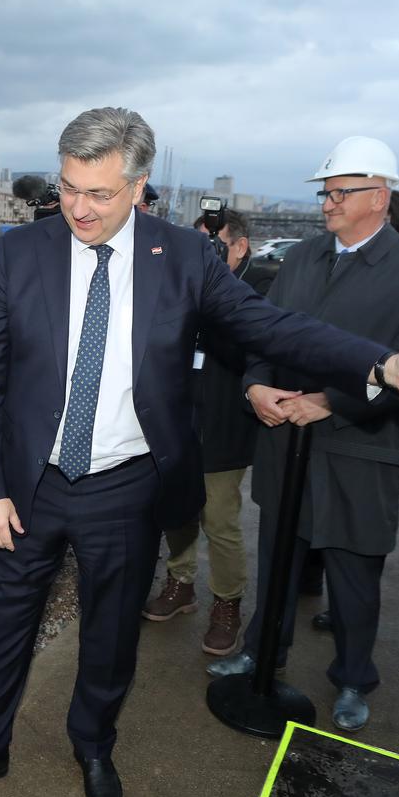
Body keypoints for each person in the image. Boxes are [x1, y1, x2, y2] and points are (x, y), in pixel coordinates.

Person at [0, 110, 399, 797]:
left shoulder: (182, 256)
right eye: (69, 187)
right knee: (4, 628)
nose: (79, 207)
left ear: (139, 185)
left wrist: (383, 366)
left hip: (125, 487)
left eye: (100, 193)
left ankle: (93, 746)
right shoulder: (24, 252)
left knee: (111, 635)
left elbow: (271, 326)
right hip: (28, 485)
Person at [208, 135, 399, 734]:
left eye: (341, 192)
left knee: (354, 571)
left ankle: (353, 678)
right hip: (285, 437)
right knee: (279, 558)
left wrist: (329, 404)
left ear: (380, 196)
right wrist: (255, 387)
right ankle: (263, 652)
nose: (327, 203)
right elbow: (264, 330)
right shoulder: (303, 256)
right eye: (326, 192)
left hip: (357, 447)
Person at [143, 208, 275, 657]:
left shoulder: (260, 288)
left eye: (213, 247)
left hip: (226, 424)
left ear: (239, 246)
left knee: (219, 518)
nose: (205, 255)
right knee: (177, 510)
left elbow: (254, 346)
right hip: (177, 420)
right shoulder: (183, 281)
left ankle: (227, 602)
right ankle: (181, 584)